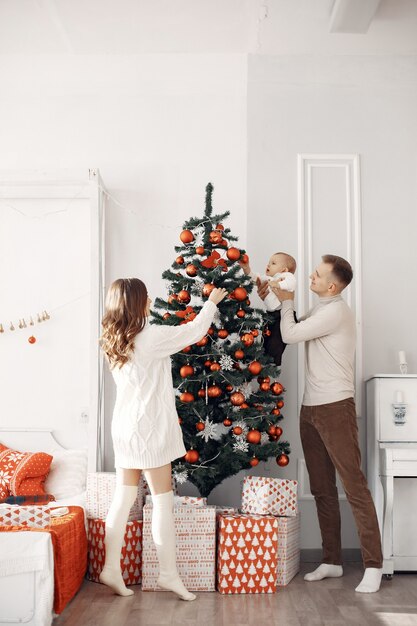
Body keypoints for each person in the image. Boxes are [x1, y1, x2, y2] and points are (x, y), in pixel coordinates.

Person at [99, 278, 227, 600]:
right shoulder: (150, 337)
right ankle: (169, 574)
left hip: (125, 428)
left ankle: (110, 568)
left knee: (123, 498)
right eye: (146, 297)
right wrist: (211, 302)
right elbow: (194, 331)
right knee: (162, 502)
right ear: (138, 304)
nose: (151, 301)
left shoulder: (113, 340)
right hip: (149, 431)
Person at [262, 255, 383, 594]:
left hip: (335, 408)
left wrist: (286, 302)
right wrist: (268, 292)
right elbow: (289, 315)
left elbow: (289, 331)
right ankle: (331, 560)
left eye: (316, 275)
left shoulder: (335, 313)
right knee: (321, 488)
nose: (309, 277)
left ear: (332, 286)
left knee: (354, 487)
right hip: (310, 410)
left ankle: (374, 564)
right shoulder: (320, 310)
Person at [240, 251, 297, 365]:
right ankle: (263, 361)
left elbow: (291, 283)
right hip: (271, 315)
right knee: (266, 339)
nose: (268, 265)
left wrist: (278, 284)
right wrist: (247, 269)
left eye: (273, 263)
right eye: (269, 262)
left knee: (275, 343)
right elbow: (255, 278)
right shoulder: (268, 278)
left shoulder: (285, 277)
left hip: (282, 315)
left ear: (284, 270)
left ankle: (273, 362)